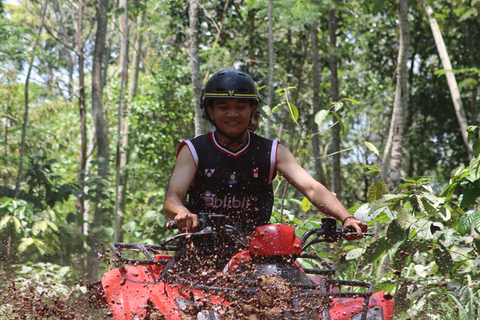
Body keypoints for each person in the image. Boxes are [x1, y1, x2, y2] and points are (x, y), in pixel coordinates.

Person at [163, 69, 366, 269]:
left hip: (257, 256)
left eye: (240, 107)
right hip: (198, 254)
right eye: (223, 107)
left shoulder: (272, 151)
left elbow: (312, 188)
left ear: (252, 110)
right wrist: (181, 212)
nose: (232, 114)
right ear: (210, 111)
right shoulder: (194, 150)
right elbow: (172, 198)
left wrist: (346, 217)